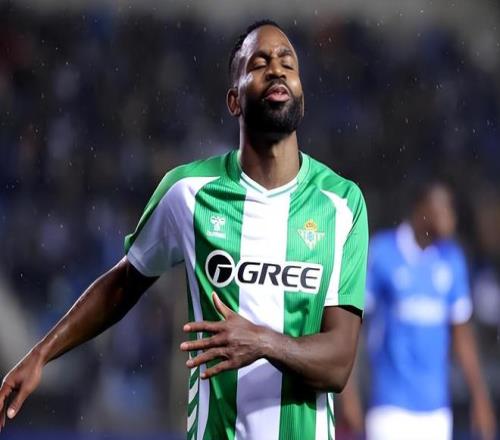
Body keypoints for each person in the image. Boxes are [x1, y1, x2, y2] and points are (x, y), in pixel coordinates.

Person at [0, 20, 368, 439]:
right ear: (234, 101)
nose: (276, 70)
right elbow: (123, 283)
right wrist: (41, 354)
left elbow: (338, 362)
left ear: (301, 92)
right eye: (259, 63)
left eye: (288, 63)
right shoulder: (188, 191)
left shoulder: (342, 204)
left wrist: (262, 342)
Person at [339, 182, 496, 440]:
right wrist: (348, 394)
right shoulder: (383, 252)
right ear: (420, 209)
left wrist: (480, 397)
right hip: (390, 406)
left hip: (436, 409)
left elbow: (462, 334)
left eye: (451, 209)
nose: (450, 217)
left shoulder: (452, 259)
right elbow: (354, 326)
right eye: (442, 208)